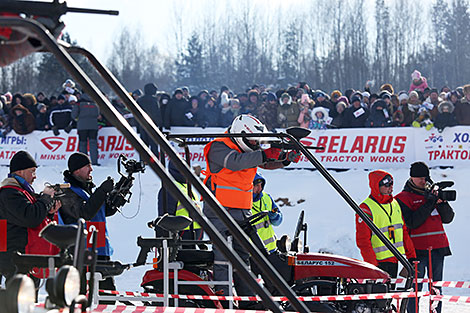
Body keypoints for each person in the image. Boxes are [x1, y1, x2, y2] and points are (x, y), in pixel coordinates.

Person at [202, 114, 300, 300]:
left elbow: (264, 163)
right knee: (223, 256)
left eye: (257, 140)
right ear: (241, 134)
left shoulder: (246, 149)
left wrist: (285, 159)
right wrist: (264, 154)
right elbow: (236, 162)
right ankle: (225, 299)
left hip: (241, 210)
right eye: (253, 139)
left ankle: (247, 299)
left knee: (243, 256)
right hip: (219, 210)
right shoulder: (218, 147)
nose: (255, 143)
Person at [395, 162, 455, 313]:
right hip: (416, 251)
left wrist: (441, 203)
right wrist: (429, 203)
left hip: (438, 248)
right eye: (420, 178)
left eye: (425, 177)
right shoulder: (402, 198)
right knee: (415, 288)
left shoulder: (432, 194)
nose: (424, 181)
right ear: (412, 178)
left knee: (436, 288)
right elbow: (412, 222)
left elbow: (448, 218)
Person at [58, 152, 116, 293]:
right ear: (77, 170)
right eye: (87, 166)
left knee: (107, 294)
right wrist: (102, 191)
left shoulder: (88, 189)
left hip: (99, 247)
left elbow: (105, 211)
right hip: (80, 253)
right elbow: (84, 213)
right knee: (82, 295)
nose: (91, 169)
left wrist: (118, 194)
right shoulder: (66, 191)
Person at [0, 151, 59, 281]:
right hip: (15, 257)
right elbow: (31, 218)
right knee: (20, 298)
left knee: (30, 298)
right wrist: (45, 199)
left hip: (26, 255)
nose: (35, 177)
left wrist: (49, 212)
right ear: (20, 172)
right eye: (32, 171)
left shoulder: (21, 192)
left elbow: (33, 219)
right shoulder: (9, 193)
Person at [356, 170, 416, 278]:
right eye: (386, 185)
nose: (390, 187)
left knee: (392, 293)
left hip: (395, 259)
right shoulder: (366, 208)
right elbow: (363, 240)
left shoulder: (395, 204)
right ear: (376, 186)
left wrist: (411, 256)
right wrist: (372, 265)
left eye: (391, 183)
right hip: (378, 263)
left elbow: (404, 232)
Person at [157, 161, 203, 243]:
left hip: (193, 236)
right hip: (181, 236)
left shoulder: (187, 187)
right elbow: (166, 217)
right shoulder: (170, 188)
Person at [251, 173, 282, 253]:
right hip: (254, 253)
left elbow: (278, 221)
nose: (260, 188)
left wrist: (275, 217)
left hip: (272, 249)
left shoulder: (266, 197)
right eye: (257, 185)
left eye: (261, 185)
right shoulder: (243, 202)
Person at [72, 93, 100, 165]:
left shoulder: (79, 103)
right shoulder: (95, 102)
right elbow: (98, 113)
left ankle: (83, 163)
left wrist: (78, 120)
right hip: (93, 126)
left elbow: (74, 115)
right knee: (93, 144)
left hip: (82, 126)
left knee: (82, 144)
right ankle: (94, 161)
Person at [137, 83, 161, 157]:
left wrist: (138, 126)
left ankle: (143, 160)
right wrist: (158, 124)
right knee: (154, 145)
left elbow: (136, 114)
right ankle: (155, 161)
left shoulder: (140, 100)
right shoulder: (154, 100)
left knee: (144, 145)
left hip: (142, 125)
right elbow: (156, 113)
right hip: (152, 125)